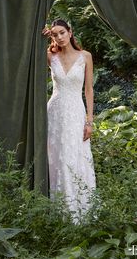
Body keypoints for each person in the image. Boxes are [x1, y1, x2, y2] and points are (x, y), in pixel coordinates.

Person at [42, 19, 96, 223]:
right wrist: (41, 39)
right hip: (54, 112)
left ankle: (80, 211)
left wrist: (89, 121)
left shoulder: (85, 57)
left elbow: (88, 89)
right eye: (55, 34)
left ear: (70, 32)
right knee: (56, 159)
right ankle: (58, 212)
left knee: (75, 157)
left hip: (75, 112)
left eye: (62, 32)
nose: (59, 37)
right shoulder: (50, 57)